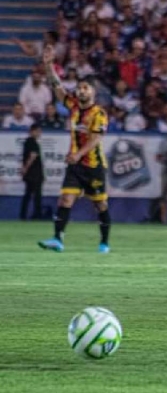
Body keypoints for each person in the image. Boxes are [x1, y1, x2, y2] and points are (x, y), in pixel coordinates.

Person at [38, 45, 111, 254]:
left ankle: (104, 242)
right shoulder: (73, 106)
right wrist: (48, 64)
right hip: (75, 165)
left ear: (93, 92)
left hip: (94, 166)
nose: (81, 91)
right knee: (65, 199)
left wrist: (78, 154)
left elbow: (96, 139)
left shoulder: (99, 113)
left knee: (100, 205)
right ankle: (57, 239)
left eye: (85, 88)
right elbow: (56, 87)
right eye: (79, 88)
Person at [20, 123, 44, 220]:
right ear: (32, 131)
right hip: (34, 173)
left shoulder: (30, 142)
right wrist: (25, 168)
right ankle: (36, 215)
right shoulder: (31, 142)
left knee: (28, 194)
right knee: (36, 195)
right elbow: (32, 156)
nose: (39, 133)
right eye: (37, 131)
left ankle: (24, 215)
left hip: (33, 173)